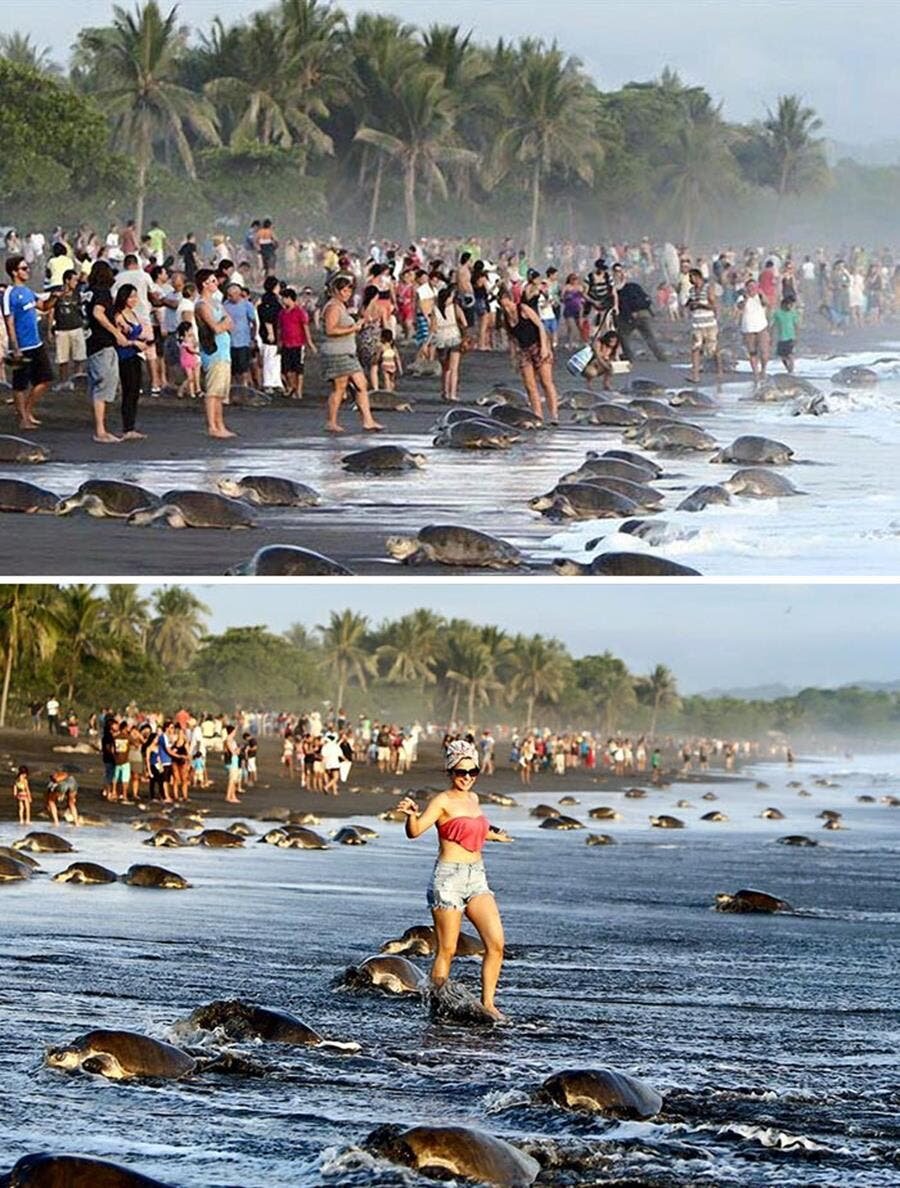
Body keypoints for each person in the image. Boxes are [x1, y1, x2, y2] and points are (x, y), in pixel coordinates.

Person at [396, 739, 510, 1020]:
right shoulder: (442, 801)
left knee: (495, 945)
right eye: (461, 773)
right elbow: (416, 831)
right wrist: (411, 815)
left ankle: (488, 1004)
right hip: (448, 879)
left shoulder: (473, 799)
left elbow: (471, 830)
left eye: (473, 772)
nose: (468, 778)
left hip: (477, 878)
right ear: (450, 772)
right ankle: (435, 1006)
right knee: (446, 949)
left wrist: (494, 835)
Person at [320, 274, 382, 434]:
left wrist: (358, 324)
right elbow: (330, 329)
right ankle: (331, 422)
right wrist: (353, 328)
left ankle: (368, 421)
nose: (347, 294)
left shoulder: (341, 306)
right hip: (336, 353)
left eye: (349, 291)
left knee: (361, 385)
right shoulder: (333, 306)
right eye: (344, 291)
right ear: (336, 291)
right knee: (339, 388)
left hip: (347, 353)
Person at [3, 255, 57, 429]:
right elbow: (9, 322)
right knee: (20, 383)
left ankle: (27, 410)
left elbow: (44, 306)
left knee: (46, 378)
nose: (28, 271)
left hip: (36, 343)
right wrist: (15, 347)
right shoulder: (10, 294)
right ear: (14, 272)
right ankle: (23, 419)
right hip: (22, 345)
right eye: (24, 268)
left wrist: (54, 297)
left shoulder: (28, 291)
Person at [83, 260, 129, 443]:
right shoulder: (102, 293)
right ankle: (100, 431)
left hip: (91, 342)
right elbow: (98, 313)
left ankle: (100, 428)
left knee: (99, 384)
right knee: (104, 384)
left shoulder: (87, 292)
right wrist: (116, 332)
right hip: (102, 343)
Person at [498, 286, 559, 422]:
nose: (507, 309)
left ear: (512, 301)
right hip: (524, 351)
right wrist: (513, 358)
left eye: (508, 305)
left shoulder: (524, 309)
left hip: (538, 345)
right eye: (504, 307)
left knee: (546, 382)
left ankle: (554, 415)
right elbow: (512, 339)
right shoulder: (505, 318)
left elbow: (540, 326)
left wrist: (544, 347)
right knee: (530, 385)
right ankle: (538, 415)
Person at [194, 267, 235, 438]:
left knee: (221, 392)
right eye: (211, 281)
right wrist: (224, 324)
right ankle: (212, 426)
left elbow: (229, 322)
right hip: (213, 350)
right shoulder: (202, 305)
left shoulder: (217, 303)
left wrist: (224, 324)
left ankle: (220, 424)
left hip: (224, 351)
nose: (215, 283)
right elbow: (216, 327)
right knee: (213, 391)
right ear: (204, 284)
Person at [113, 284, 151, 439]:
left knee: (135, 391)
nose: (134, 299)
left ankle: (131, 426)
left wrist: (143, 340)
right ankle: (127, 428)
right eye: (131, 297)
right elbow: (119, 340)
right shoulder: (118, 315)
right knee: (129, 391)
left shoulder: (133, 313)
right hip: (124, 356)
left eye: (136, 296)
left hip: (136, 355)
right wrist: (135, 343)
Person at [612, 263, 667, 362]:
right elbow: (646, 299)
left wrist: (630, 315)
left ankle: (629, 357)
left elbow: (623, 304)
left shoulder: (619, 290)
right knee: (649, 337)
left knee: (623, 335)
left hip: (630, 316)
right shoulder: (634, 286)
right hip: (643, 314)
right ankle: (661, 357)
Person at [683, 268, 721, 383]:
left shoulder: (708, 288)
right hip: (696, 324)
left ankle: (719, 370)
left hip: (709, 324)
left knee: (712, 349)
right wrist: (689, 306)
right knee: (695, 348)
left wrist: (699, 304)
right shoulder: (691, 291)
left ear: (698, 277)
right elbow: (688, 304)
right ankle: (695, 375)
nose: (690, 279)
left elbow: (714, 306)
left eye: (691, 277)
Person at [431, 283, 468, 402]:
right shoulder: (455, 307)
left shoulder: (435, 309)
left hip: (440, 340)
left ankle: (445, 391)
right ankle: (452, 393)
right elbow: (464, 322)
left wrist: (428, 345)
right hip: (454, 337)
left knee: (445, 368)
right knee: (454, 368)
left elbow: (433, 328)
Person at [278, 287, 315, 399]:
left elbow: (305, 328)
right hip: (286, 344)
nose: (283, 300)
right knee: (286, 370)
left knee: (298, 369)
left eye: (284, 298)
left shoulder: (300, 312)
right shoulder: (282, 313)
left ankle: (298, 391)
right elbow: (279, 328)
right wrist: (278, 342)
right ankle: (292, 386)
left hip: (298, 344)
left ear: (290, 299)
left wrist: (310, 343)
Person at [53, 269, 87, 386]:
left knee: (79, 356)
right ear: (67, 280)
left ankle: (77, 379)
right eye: (74, 280)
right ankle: (63, 381)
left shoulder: (77, 293)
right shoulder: (57, 293)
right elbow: (51, 311)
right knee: (63, 359)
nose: (76, 282)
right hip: (61, 329)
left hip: (77, 328)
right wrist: (49, 329)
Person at [737, 277, 770, 381]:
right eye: (750, 286)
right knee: (752, 352)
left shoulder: (759, 296)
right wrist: (746, 298)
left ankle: (763, 370)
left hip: (761, 327)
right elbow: (740, 307)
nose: (752, 289)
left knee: (764, 352)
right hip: (748, 328)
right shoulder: (742, 297)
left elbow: (767, 303)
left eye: (754, 286)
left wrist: (761, 294)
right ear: (746, 287)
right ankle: (755, 373)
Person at [771, 296, 800, 374]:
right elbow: (772, 325)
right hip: (781, 338)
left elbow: (796, 325)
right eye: (789, 305)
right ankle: (788, 369)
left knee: (790, 355)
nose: (791, 306)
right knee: (782, 356)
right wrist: (771, 336)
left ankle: (791, 370)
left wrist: (797, 337)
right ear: (784, 304)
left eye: (792, 305)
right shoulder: (777, 313)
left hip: (791, 337)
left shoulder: (793, 313)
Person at [176, 320, 201, 397]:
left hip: (192, 359)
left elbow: (195, 344)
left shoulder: (191, 337)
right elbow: (190, 349)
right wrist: (197, 353)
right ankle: (182, 388)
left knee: (192, 377)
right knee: (190, 377)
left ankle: (192, 392)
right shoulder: (183, 340)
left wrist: (194, 340)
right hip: (186, 360)